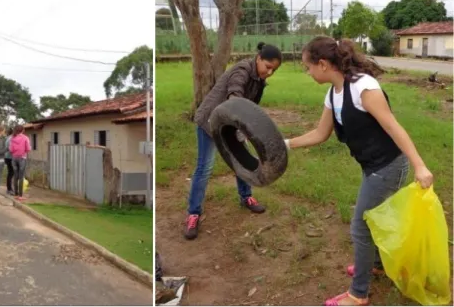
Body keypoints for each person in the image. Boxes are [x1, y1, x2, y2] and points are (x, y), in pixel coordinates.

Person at [284, 36, 433, 306]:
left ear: (323, 64)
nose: (308, 73)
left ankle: (359, 293)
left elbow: (393, 127)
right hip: (371, 165)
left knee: (360, 227)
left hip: (388, 165)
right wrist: (285, 144)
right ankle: (375, 266)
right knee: (373, 218)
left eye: (308, 67)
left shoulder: (363, 88)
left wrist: (420, 165)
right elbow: (320, 133)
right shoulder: (333, 94)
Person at [185, 42, 283, 240]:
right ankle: (193, 214)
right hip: (211, 120)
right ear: (258, 59)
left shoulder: (259, 80)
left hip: (233, 123)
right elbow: (235, 94)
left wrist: (245, 130)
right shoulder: (242, 70)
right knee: (204, 168)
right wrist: (240, 118)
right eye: (268, 66)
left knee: (243, 161)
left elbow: (251, 107)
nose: (270, 72)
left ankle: (246, 198)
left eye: (274, 69)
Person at [9, 124, 31, 201]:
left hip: (14, 158)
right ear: (22, 130)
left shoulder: (12, 138)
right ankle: (20, 196)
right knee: (21, 177)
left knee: (16, 176)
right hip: (22, 158)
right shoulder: (25, 138)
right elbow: (28, 149)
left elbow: (10, 150)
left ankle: (15, 194)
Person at [4, 128, 15, 195]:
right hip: (10, 157)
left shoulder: (8, 138)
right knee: (11, 173)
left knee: (10, 173)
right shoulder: (11, 138)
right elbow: (10, 148)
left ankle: (10, 188)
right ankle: (9, 189)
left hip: (7, 157)